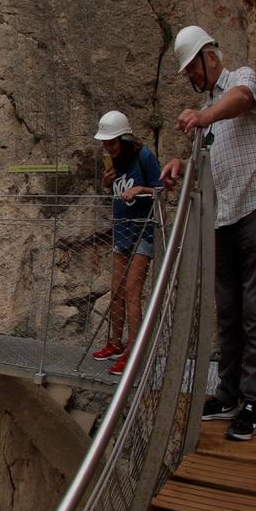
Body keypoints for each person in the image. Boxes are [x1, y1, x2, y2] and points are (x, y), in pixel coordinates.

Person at [161, 25, 256, 442]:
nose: (192, 78)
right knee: (227, 311)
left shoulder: (241, 80)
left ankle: (252, 401)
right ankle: (228, 393)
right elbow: (207, 159)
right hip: (224, 218)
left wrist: (204, 115)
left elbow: (241, 102)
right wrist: (181, 165)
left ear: (209, 56)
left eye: (193, 68)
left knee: (254, 310)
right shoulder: (207, 114)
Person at [90, 111, 163, 376]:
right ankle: (115, 342)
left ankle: (134, 353)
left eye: (111, 143)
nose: (107, 148)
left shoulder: (144, 157)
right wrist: (106, 183)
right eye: (105, 144)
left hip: (143, 231)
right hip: (121, 231)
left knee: (132, 291)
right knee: (116, 289)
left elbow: (162, 189)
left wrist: (140, 190)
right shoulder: (114, 163)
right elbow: (112, 193)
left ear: (124, 138)